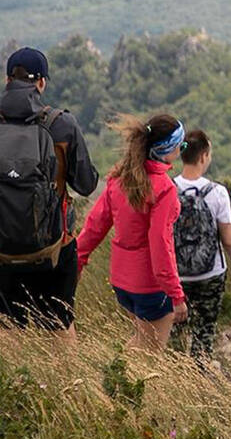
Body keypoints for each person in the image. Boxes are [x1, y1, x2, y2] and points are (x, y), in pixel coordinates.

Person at [0, 47, 99, 340]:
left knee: (5, 331)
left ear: (7, 80)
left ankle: (11, 387)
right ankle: (68, 385)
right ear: (41, 83)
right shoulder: (62, 125)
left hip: (0, 250)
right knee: (59, 326)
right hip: (53, 250)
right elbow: (86, 185)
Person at [77, 114, 188, 353]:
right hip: (151, 285)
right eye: (181, 145)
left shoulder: (120, 179)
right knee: (148, 354)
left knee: (140, 341)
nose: (181, 150)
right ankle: (111, 384)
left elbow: (95, 225)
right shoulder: (164, 188)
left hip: (122, 283)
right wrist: (176, 294)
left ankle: (113, 381)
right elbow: (160, 243)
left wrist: (77, 259)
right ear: (167, 150)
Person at [173, 129, 231, 361]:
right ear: (203, 156)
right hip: (210, 274)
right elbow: (229, 239)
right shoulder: (217, 192)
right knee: (204, 332)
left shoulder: (168, 190)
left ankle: (175, 378)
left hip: (175, 275)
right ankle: (199, 374)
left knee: (175, 334)